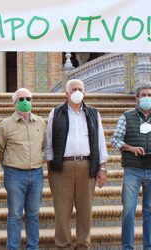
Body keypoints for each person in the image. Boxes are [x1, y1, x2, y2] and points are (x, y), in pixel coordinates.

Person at [44, 79, 108, 249]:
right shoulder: (56, 113)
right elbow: (49, 142)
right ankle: (63, 245)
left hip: (86, 166)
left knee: (85, 211)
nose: (77, 91)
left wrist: (102, 168)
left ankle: (83, 244)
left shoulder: (93, 113)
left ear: (85, 93)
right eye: (74, 89)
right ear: (67, 93)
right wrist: (51, 168)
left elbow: (100, 141)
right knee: (62, 211)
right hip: (62, 167)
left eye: (80, 89)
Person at [0, 88, 46, 250]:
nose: (25, 102)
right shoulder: (5, 125)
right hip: (14, 174)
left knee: (33, 215)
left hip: (37, 174)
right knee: (15, 215)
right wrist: (9, 164)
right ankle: (13, 247)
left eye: (28, 99)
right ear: (14, 103)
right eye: (21, 99)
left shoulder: (40, 122)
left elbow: (43, 145)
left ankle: (32, 246)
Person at [111, 84, 151, 250]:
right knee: (129, 211)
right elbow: (115, 140)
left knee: (149, 211)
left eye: (149, 94)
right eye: (143, 95)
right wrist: (131, 148)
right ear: (137, 98)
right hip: (133, 170)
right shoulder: (127, 116)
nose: (147, 98)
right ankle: (127, 246)